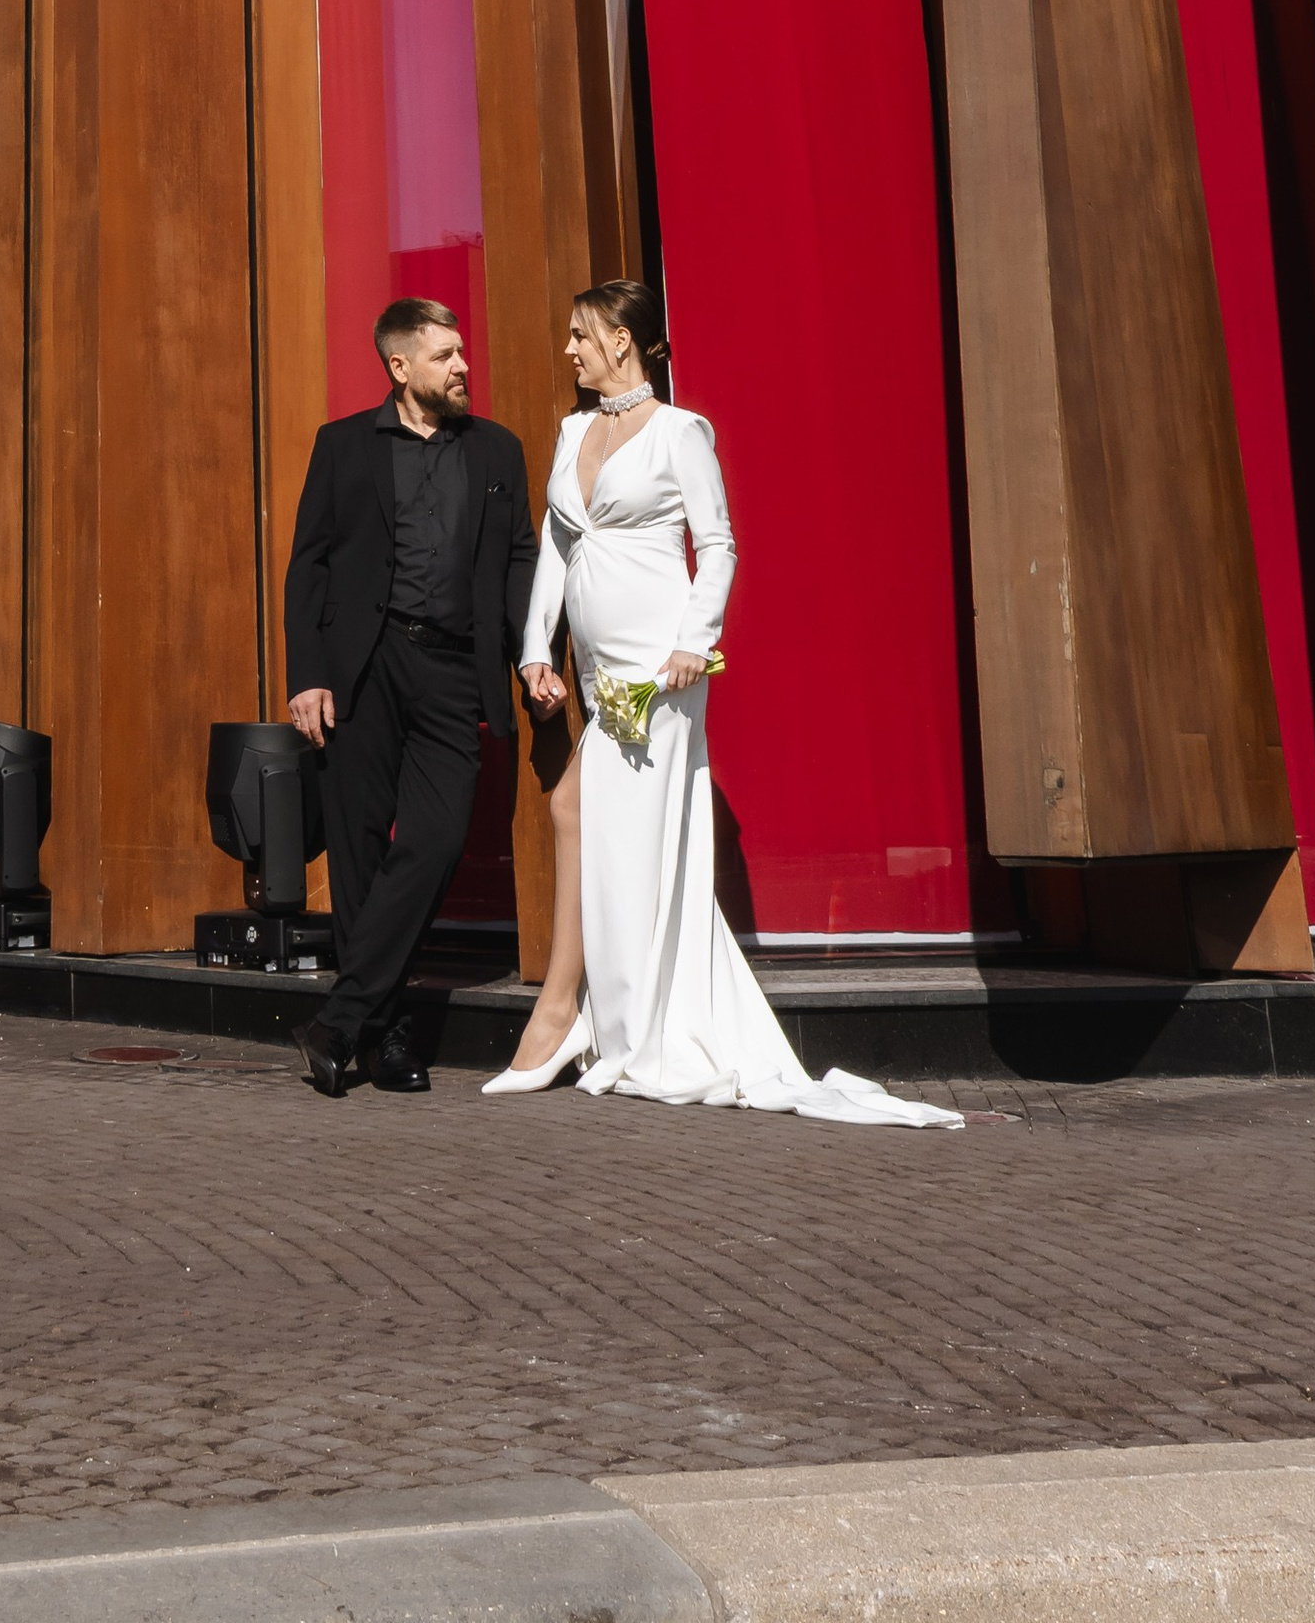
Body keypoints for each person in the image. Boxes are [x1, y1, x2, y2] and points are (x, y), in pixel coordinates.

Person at [490, 280, 959, 1127]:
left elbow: (717, 544)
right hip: (598, 671)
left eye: (579, 335)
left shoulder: (680, 433)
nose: (568, 350)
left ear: (623, 341)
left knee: (600, 821)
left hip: (659, 669)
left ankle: (585, 1025)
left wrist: (690, 644)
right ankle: (596, 1021)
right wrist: (534, 650)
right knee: (589, 819)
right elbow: (559, 547)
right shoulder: (572, 432)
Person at [283, 294, 535, 1097]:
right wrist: (307, 674)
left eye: (462, 354)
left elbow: (522, 557)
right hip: (364, 665)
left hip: (457, 670)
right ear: (399, 366)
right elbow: (309, 566)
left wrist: (532, 653)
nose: (464, 367)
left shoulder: (497, 452)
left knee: (433, 840)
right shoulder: (344, 446)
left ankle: (339, 1019)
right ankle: (383, 1039)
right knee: (358, 853)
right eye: (445, 357)